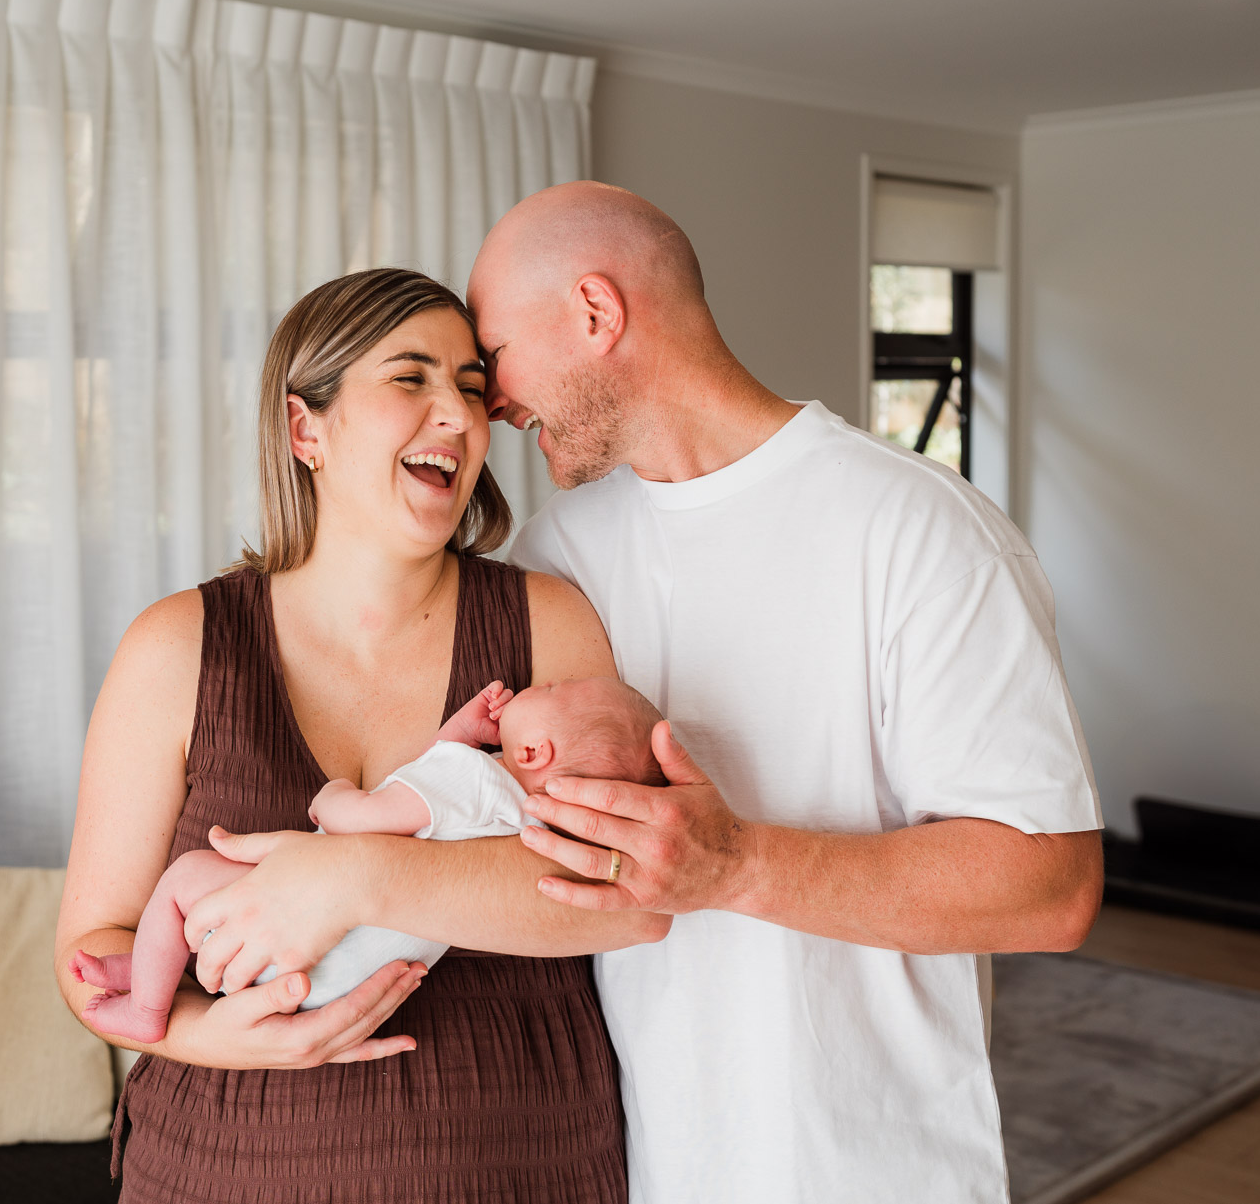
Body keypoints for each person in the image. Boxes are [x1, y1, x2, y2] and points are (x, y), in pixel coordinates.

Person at [469, 180, 1106, 1202]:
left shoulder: (921, 532)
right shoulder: (553, 559)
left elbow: (1051, 888)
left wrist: (736, 866)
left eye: (494, 354)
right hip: (639, 1164)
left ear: (596, 313)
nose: (491, 402)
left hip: (869, 1170)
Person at [53, 267, 663, 1203]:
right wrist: (212, 1035)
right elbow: (90, 948)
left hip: (517, 1156)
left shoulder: (549, 624)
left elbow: (628, 893)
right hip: (221, 1164)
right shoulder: (177, 647)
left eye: (469, 386)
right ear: (306, 429)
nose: (459, 416)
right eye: (411, 378)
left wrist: (357, 877)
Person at [68, 674, 663, 1038]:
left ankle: (148, 1005)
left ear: (533, 749)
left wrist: (332, 800)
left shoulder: (474, 778)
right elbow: (436, 809)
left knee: (188, 879)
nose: (542, 684)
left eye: (553, 691)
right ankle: (143, 970)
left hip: (302, 942)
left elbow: (370, 818)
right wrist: (458, 733)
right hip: (348, 978)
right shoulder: (518, 813)